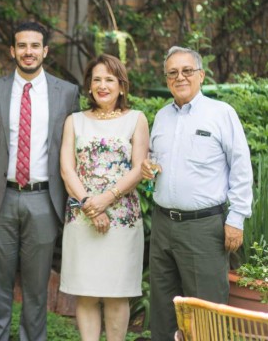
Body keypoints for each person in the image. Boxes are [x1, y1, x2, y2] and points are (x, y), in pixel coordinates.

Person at [142, 46, 253, 340]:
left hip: (203, 228)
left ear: (201, 75)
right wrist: (148, 171)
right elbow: (155, 164)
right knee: (163, 311)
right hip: (163, 225)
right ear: (167, 79)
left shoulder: (221, 114)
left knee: (207, 313)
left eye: (187, 71)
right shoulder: (162, 117)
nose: (180, 77)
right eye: (173, 72)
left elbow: (241, 168)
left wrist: (237, 218)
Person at [0, 21, 80, 341]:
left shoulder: (66, 93)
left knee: (37, 288)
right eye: (22, 46)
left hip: (44, 199)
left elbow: (76, 148)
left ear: (45, 51)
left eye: (35, 46)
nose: (28, 52)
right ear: (12, 51)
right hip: (1, 198)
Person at [59, 54, 149, 341]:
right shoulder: (74, 121)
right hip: (82, 217)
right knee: (85, 294)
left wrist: (106, 199)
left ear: (121, 86)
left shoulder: (136, 119)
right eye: (96, 79)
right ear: (88, 86)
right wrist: (90, 205)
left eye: (109, 79)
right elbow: (67, 169)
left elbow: (138, 168)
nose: (102, 85)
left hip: (121, 221)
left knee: (116, 294)